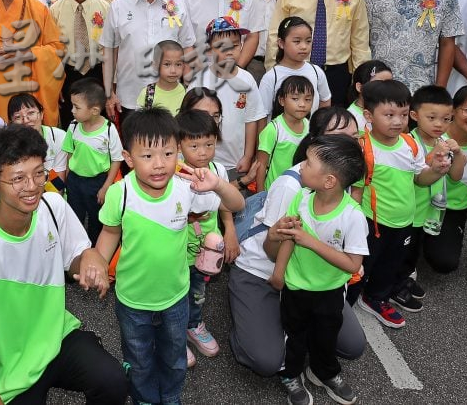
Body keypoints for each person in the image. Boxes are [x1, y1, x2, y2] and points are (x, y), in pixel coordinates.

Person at [0, 124, 126, 404]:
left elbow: (75, 260)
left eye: (38, 173)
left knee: (113, 381)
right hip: (8, 366)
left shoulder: (53, 206)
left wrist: (90, 257)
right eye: (18, 178)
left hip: (56, 337)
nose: (32, 186)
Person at [95, 108, 245, 405]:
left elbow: (237, 203)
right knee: (138, 360)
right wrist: (99, 264)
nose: (159, 164)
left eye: (167, 153)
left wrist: (216, 184)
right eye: (147, 156)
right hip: (132, 298)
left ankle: (172, 398)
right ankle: (146, 400)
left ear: (178, 152)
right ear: (128, 158)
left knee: (175, 358)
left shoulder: (185, 188)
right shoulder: (120, 193)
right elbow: (110, 233)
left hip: (176, 296)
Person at [229, 107, 366, 380]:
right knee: (267, 360)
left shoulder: (341, 179)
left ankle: (289, 326)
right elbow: (271, 250)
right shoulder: (293, 186)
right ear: (316, 140)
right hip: (265, 272)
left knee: (352, 346)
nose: (351, 143)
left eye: (355, 136)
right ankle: (249, 315)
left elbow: (344, 249)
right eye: (340, 136)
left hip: (309, 279)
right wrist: (278, 246)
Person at [264, 134, 368, 405]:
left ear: (329, 181)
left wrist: (311, 242)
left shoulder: (353, 216)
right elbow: (289, 236)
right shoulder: (300, 197)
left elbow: (353, 265)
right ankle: (291, 375)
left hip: (330, 291)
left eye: (308, 163)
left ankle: (325, 372)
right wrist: (279, 274)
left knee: (326, 335)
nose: (300, 167)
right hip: (295, 287)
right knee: (294, 335)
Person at [352, 80, 450, 329]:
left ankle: (375, 298)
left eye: (403, 114)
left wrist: (437, 171)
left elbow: (419, 178)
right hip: (371, 221)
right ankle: (347, 300)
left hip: (404, 221)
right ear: (368, 115)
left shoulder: (410, 144)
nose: (397, 121)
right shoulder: (362, 147)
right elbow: (354, 190)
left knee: (390, 265)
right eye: (389, 115)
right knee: (360, 266)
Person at [101, 0, 196, 123]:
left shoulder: (177, 3)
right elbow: (109, 50)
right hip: (130, 96)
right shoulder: (119, 6)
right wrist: (109, 93)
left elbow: (188, 46)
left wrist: (189, 88)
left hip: (172, 96)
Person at [394, 85, 464, 314]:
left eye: (445, 119)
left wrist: (460, 154)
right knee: (403, 250)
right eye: (432, 117)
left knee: (415, 249)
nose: (439, 124)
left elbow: (456, 175)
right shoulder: (408, 142)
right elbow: (419, 179)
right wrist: (435, 157)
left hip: (430, 210)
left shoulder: (444, 139)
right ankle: (396, 286)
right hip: (410, 210)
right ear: (414, 116)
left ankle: (404, 277)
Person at [175, 110, 232, 368]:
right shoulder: (173, 172)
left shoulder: (218, 169)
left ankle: (193, 325)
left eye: (209, 144)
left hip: (208, 247)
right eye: (194, 145)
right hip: (178, 246)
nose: (203, 152)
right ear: (178, 145)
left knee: (198, 290)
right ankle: (174, 336)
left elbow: (225, 204)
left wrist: (229, 230)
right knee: (176, 292)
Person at [423, 85, 467, 277]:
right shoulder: (432, 133)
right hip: (420, 202)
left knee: (445, 262)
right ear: (454, 109)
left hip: (453, 209)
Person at [197, 17, 267, 184]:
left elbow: (252, 119)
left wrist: (249, 156)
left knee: (235, 202)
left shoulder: (247, 80)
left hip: (236, 163)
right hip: (206, 162)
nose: (230, 51)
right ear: (208, 50)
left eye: (235, 45)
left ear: (241, 46)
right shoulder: (199, 81)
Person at [50, 0, 109, 128]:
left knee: (98, 124)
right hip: (68, 74)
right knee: (71, 124)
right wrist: (56, 83)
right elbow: (52, 50)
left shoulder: (105, 8)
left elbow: (111, 48)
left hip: (98, 72)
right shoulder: (55, 10)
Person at [62, 80, 122, 245]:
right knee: (74, 218)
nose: (72, 111)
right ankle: (76, 250)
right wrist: (67, 179)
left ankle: (96, 250)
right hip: (75, 181)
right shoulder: (73, 126)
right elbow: (69, 154)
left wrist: (105, 187)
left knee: (97, 220)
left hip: (98, 183)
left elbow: (116, 159)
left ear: (94, 110)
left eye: (77, 107)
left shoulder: (109, 130)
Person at [259, 16, 331, 118]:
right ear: (281, 43)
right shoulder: (271, 77)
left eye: (308, 41)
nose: (304, 46)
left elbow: (325, 100)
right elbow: (263, 113)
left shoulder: (316, 72)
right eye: (297, 41)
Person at [253, 75, 313, 191]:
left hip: (300, 191)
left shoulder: (310, 127)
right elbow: (260, 165)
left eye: (308, 99)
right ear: (282, 100)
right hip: (274, 191)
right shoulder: (273, 129)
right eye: (295, 99)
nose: (302, 104)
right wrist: (260, 194)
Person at [136, 39, 187, 114]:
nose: (173, 70)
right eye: (167, 64)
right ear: (155, 65)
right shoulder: (147, 94)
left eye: (178, 64)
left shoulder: (187, 92)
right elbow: (139, 122)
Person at [347, 60, 393, 135]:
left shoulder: (393, 109)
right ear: (359, 87)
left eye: (389, 83)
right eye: (378, 83)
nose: (385, 88)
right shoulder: (351, 118)